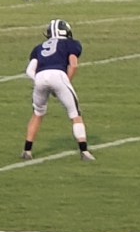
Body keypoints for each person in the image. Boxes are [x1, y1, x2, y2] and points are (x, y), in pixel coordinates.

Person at [21, 19, 94, 161]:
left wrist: (40, 81)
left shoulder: (39, 47)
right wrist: (64, 82)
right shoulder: (71, 44)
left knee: (37, 113)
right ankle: (84, 151)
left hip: (40, 77)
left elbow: (29, 70)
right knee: (75, 114)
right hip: (58, 75)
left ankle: (27, 150)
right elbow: (73, 65)